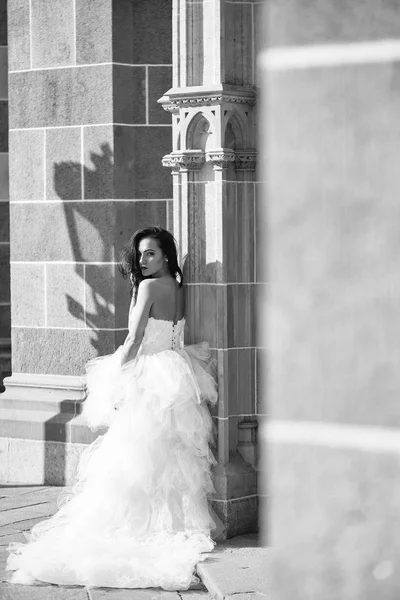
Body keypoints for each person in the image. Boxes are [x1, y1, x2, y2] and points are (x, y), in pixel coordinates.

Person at [6, 226, 220, 591]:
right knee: (169, 458)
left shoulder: (150, 287)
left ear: (167, 255)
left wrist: (117, 374)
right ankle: (169, 524)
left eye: (150, 253)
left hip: (150, 375)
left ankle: (136, 525)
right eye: (140, 254)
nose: (143, 260)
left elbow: (135, 339)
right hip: (176, 370)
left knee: (134, 456)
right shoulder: (179, 288)